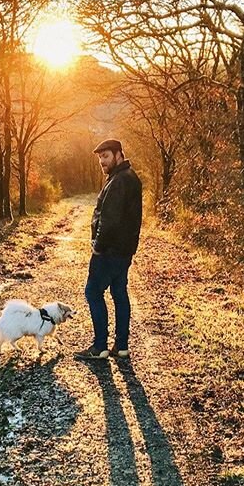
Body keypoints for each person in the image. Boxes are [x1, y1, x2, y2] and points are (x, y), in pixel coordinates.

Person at [75, 139, 143, 360]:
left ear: (118, 154)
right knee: (119, 293)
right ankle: (121, 347)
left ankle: (99, 346)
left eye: (105, 156)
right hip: (124, 251)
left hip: (109, 251)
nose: (102, 161)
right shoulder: (129, 177)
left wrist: (98, 247)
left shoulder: (119, 181)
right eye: (99, 158)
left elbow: (109, 220)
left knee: (93, 292)